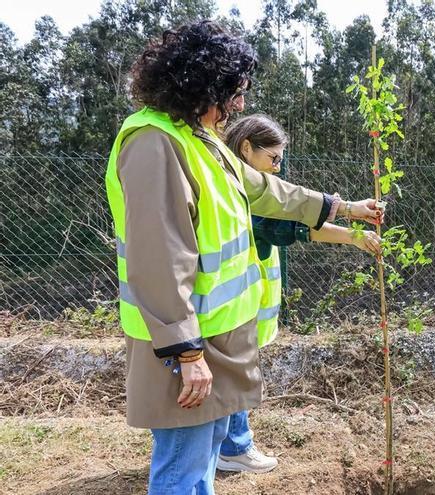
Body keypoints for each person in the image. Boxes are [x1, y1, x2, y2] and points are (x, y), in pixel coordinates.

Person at [105, 20, 383, 494]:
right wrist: (186, 352)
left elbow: (263, 189)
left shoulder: (196, 138)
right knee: (184, 467)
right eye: (232, 93)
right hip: (189, 343)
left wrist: (342, 207)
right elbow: (159, 259)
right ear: (200, 85)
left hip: (217, 335)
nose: (238, 105)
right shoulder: (154, 144)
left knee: (205, 455)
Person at [216, 113, 381, 473]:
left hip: (236, 306)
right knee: (234, 376)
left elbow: (298, 220)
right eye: (273, 158)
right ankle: (234, 447)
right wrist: (354, 232)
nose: (277, 167)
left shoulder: (241, 190)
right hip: (231, 307)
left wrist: (353, 228)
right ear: (246, 149)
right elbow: (298, 227)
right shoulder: (242, 198)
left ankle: (227, 446)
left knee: (233, 374)